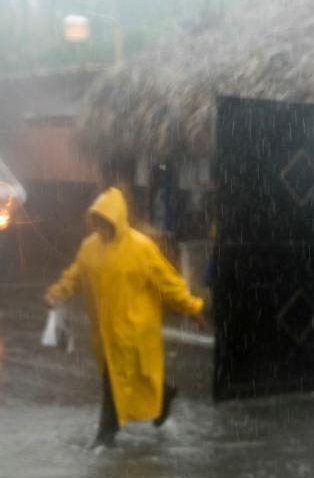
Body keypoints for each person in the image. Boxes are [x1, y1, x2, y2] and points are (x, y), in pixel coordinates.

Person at [44, 187, 206, 449]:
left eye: (106, 220)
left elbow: (168, 282)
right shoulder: (89, 249)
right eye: (97, 220)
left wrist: (192, 308)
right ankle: (163, 394)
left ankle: (105, 434)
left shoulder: (141, 248)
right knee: (130, 378)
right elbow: (74, 276)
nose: (101, 225)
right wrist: (57, 294)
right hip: (105, 332)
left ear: (117, 219)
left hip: (135, 331)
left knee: (114, 381)